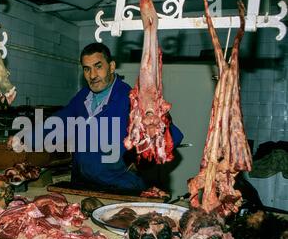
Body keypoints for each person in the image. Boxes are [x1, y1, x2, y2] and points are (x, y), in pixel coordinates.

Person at [9, 42, 183, 192]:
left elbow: (172, 137)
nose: (92, 75)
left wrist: (142, 162)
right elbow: (59, 122)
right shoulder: (82, 97)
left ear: (112, 66)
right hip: (82, 185)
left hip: (120, 188)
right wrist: (24, 137)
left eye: (98, 66)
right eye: (87, 69)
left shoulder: (131, 99)